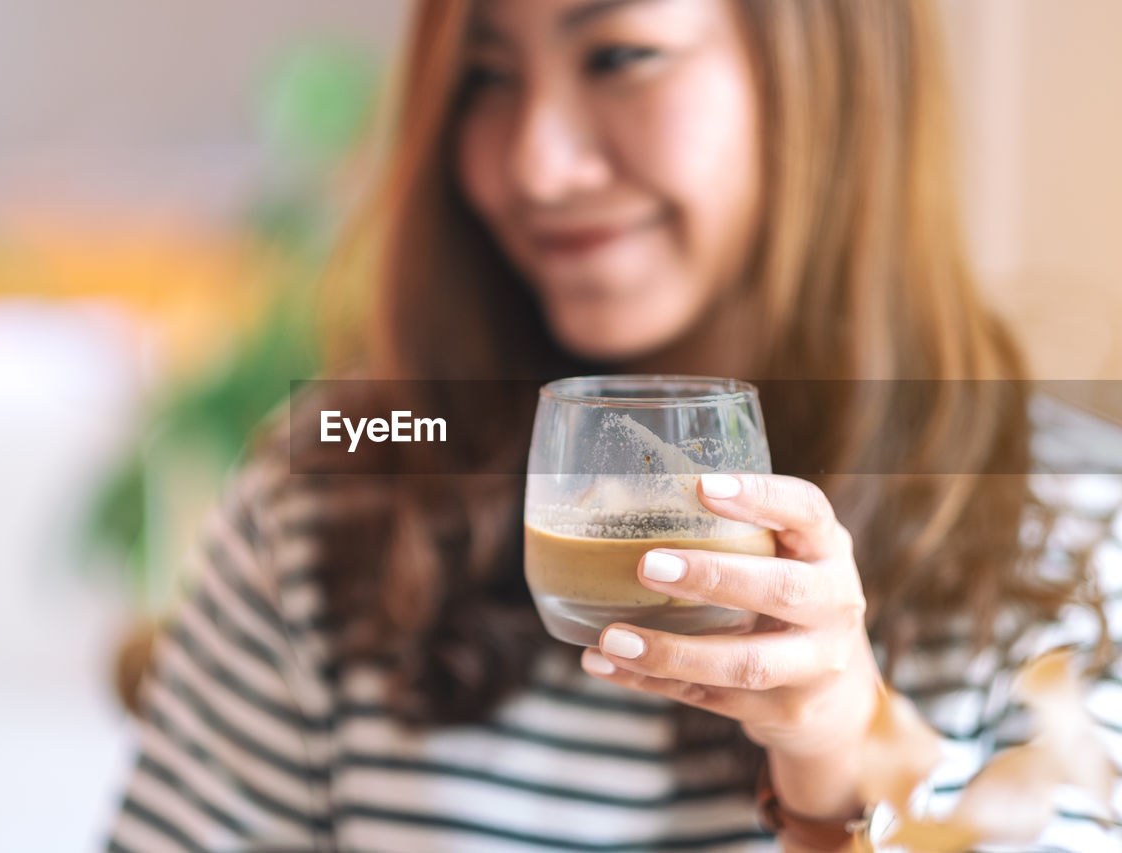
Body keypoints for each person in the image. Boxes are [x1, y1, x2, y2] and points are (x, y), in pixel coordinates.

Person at [106, 1, 1122, 850]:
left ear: (825, 70)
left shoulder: (1078, 530)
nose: (536, 167)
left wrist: (842, 758)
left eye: (621, 57)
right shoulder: (328, 488)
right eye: (485, 75)